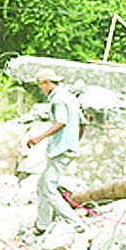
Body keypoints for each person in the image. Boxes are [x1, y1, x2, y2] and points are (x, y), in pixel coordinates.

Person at [26, 68, 84, 235]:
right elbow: (83, 123)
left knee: (49, 187)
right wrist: (74, 142)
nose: (42, 89)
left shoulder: (58, 100)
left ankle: (76, 223)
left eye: (41, 86)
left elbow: (61, 122)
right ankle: (42, 224)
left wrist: (38, 138)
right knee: (42, 185)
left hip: (60, 150)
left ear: (46, 83)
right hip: (67, 148)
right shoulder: (70, 97)